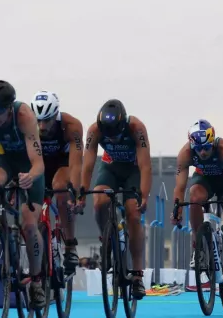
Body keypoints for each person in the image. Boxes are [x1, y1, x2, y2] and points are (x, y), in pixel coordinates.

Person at [0, 80, 48, 309]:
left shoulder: (24, 116)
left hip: (28, 162)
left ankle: (37, 282)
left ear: (9, 108)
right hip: (3, 157)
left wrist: (31, 176)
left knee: (29, 225)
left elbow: (38, 163)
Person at [79, 99, 153, 300]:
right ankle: (108, 238)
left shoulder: (136, 128)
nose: (111, 140)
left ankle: (137, 275)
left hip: (133, 170)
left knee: (133, 214)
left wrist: (144, 196)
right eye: (108, 137)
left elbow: (146, 166)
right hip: (110, 168)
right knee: (99, 200)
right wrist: (82, 194)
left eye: (115, 136)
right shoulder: (95, 130)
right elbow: (88, 164)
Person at [171, 119, 223, 293]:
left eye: (207, 147)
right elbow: (180, 187)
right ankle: (199, 247)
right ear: (192, 146)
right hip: (205, 179)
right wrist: (177, 210)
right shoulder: (185, 154)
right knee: (194, 196)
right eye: (199, 149)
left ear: (213, 142)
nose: (203, 152)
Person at [31, 90, 85, 272]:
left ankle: (70, 244)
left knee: (61, 189)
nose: (42, 126)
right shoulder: (27, 125)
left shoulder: (71, 125)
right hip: (40, 164)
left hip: (63, 163)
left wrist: (75, 192)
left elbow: (77, 164)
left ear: (56, 115)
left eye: (47, 120)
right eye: (38, 121)